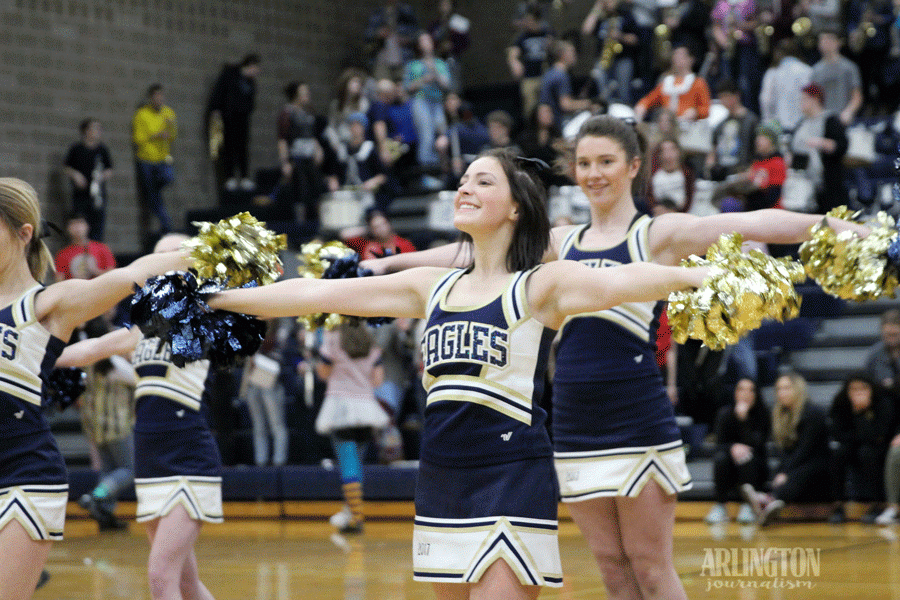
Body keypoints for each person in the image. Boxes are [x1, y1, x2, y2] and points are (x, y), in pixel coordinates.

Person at [361, 115, 869, 600]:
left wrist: (844, 230)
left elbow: (751, 220)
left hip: (636, 415)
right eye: (583, 163)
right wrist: (385, 267)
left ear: (632, 167)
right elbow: (465, 257)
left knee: (650, 568)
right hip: (575, 422)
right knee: (610, 568)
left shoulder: (656, 235)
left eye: (606, 161)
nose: (593, 174)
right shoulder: (560, 242)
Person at [208, 148, 711, 598]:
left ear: (516, 207)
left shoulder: (538, 286)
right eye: (464, 180)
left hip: (512, 475)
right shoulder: (431, 286)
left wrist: (698, 276)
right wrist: (217, 300)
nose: (466, 187)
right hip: (442, 478)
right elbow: (312, 294)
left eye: (484, 181)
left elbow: (625, 279)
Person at [0, 178, 190, 600]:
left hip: (23, 476)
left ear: (23, 233)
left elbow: (134, 274)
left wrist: (208, 251)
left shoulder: (47, 304)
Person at [56, 233, 220, 600]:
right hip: (149, 456)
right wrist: (35, 356)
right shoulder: (143, 328)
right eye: (154, 258)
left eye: (169, 258)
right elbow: (95, 348)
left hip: (187, 453)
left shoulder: (209, 310)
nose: (156, 268)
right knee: (184, 582)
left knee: (161, 578)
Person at [315, 323, 387, 534]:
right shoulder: (371, 343)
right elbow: (378, 380)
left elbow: (323, 372)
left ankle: (356, 517)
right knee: (357, 464)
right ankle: (351, 512)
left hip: (339, 407)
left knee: (348, 464)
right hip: (366, 409)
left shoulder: (332, 339)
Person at [741, 371, 832, 526]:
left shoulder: (813, 413)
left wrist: (785, 474)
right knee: (783, 473)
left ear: (798, 390)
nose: (781, 393)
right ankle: (769, 500)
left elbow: (805, 451)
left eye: (787, 388)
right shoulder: (780, 415)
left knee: (798, 472)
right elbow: (785, 454)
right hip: (798, 471)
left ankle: (768, 500)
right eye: (778, 389)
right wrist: (781, 473)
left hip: (819, 473)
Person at [75, 314, 137, 531]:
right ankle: (96, 496)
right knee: (129, 470)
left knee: (108, 470)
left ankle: (105, 515)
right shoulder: (116, 366)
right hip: (118, 425)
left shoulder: (86, 365)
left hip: (94, 426)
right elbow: (140, 381)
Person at [828, 372, 893, 523]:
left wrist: (860, 413)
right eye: (854, 389)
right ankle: (838, 504)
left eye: (863, 389)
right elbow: (838, 433)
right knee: (838, 454)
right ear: (847, 391)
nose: (858, 393)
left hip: (879, 447)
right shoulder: (841, 403)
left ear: (871, 389)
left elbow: (878, 436)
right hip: (852, 444)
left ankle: (876, 503)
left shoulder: (882, 403)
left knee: (867, 454)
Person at [705, 378, 770, 524]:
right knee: (720, 458)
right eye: (741, 389)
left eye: (751, 390)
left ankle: (748, 505)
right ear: (735, 393)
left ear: (756, 394)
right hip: (730, 469)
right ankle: (720, 506)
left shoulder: (763, 414)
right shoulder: (724, 414)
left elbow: (758, 445)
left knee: (746, 456)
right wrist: (732, 447)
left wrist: (744, 420)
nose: (745, 393)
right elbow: (718, 446)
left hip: (756, 468)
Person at [790, 82, 849, 213]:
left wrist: (821, 143)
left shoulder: (830, 120)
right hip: (804, 181)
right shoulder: (801, 123)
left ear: (815, 99)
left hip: (827, 181)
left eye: (804, 99)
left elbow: (841, 146)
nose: (801, 103)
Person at [207, 53, 261, 192]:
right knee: (229, 147)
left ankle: (244, 177)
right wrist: (216, 109)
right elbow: (219, 92)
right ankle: (230, 177)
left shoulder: (251, 82)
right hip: (229, 117)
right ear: (249, 66)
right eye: (255, 68)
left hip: (243, 118)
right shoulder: (230, 75)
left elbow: (251, 100)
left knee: (243, 147)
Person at [241, 319, 291, 468]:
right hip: (253, 380)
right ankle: (261, 461)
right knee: (258, 425)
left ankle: (279, 461)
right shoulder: (252, 320)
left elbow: (278, 345)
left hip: (271, 379)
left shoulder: (281, 324)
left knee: (277, 424)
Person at [278, 81, 328, 224]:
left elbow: (312, 134)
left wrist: (318, 148)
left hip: (310, 157)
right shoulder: (287, 112)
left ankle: (319, 221)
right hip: (297, 158)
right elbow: (282, 139)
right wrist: (285, 162)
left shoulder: (308, 112)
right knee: (301, 191)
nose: (307, 95)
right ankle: (301, 223)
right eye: (304, 93)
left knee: (317, 189)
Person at [132, 83, 177, 235]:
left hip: (163, 158)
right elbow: (138, 139)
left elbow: (173, 136)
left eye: (161, 96)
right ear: (151, 98)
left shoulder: (168, 113)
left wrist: (170, 129)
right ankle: (166, 224)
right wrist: (156, 135)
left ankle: (165, 222)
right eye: (156, 96)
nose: (159, 99)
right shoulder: (141, 114)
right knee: (153, 196)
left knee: (167, 178)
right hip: (146, 159)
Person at [404, 32, 451, 170]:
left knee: (442, 132)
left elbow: (447, 85)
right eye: (422, 41)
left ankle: (441, 165)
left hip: (437, 102)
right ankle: (425, 166)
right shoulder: (413, 65)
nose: (426, 44)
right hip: (420, 101)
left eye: (428, 40)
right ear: (418, 46)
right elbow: (407, 87)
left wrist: (435, 73)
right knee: (426, 133)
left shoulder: (440, 63)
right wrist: (423, 80)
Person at [63, 118, 113, 241]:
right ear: (86, 131)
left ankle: (95, 250)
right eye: (94, 128)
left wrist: (101, 177)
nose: (97, 131)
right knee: (79, 221)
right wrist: (76, 176)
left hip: (97, 195)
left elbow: (109, 169)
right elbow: (67, 167)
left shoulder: (102, 150)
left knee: (97, 224)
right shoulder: (76, 149)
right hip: (80, 194)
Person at [634, 44, 711, 122]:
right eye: (675, 55)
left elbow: (706, 110)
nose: (677, 59)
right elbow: (648, 100)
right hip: (667, 126)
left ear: (691, 59)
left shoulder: (698, 83)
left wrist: (695, 112)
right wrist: (641, 107)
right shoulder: (667, 82)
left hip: (690, 126)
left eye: (681, 56)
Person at [706, 79, 759, 182]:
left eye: (726, 96)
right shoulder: (721, 124)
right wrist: (710, 167)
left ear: (736, 96)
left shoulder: (751, 121)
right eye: (721, 97)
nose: (723, 101)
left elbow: (756, 150)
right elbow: (713, 148)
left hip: (742, 173)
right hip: (722, 173)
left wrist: (751, 170)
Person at [507, 4, 554, 119]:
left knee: (548, 106)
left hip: (545, 75)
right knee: (530, 108)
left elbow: (556, 49)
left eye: (529, 20)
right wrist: (514, 62)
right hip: (529, 77)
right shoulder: (523, 37)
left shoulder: (547, 33)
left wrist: (551, 45)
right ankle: (531, 128)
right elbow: (513, 53)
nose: (526, 23)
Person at [759, 38, 813, 133]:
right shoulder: (807, 70)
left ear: (778, 53)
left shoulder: (772, 73)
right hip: (802, 125)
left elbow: (766, 100)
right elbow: (812, 98)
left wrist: (767, 121)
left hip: (779, 125)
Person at [811, 28, 863, 125]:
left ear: (838, 42)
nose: (825, 42)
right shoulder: (815, 70)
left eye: (829, 39)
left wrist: (849, 112)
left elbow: (857, 96)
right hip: (823, 121)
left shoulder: (849, 67)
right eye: (822, 39)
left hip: (843, 119)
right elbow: (813, 97)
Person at [54, 212, 116, 282]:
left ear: (87, 226)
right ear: (67, 228)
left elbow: (113, 275)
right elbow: (59, 281)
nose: (77, 228)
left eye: (80, 223)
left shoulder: (102, 248)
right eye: (73, 224)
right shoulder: (62, 254)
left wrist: (96, 271)